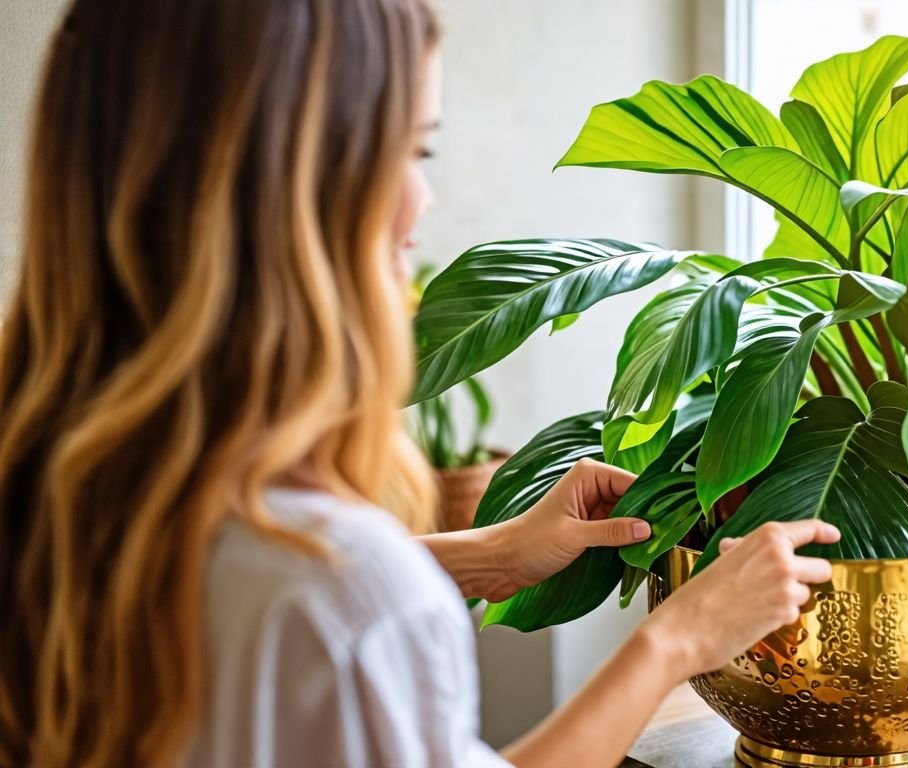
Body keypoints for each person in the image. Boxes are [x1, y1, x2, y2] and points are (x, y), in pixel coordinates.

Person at [0, 1, 840, 766]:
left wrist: (489, 557)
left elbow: (242, 596)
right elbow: (325, 610)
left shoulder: (53, 480)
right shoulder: (345, 594)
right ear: (299, 191)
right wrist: (676, 640)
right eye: (411, 149)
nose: (423, 199)